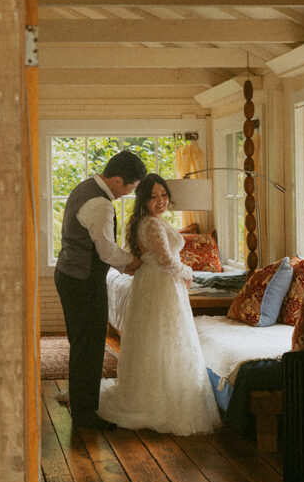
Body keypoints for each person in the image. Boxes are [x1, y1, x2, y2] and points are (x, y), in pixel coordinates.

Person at [98, 173, 220, 435]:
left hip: (159, 284)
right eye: (153, 197)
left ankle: (157, 390)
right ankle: (157, 400)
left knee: (159, 339)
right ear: (144, 200)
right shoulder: (151, 225)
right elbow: (166, 260)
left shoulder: (150, 221)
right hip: (160, 284)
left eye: (163, 195)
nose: (160, 201)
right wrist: (189, 273)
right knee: (162, 338)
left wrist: (182, 276)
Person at [54, 150, 146, 430]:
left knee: (82, 343)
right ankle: (85, 415)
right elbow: (105, 250)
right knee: (90, 345)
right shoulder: (100, 203)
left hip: (69, 275)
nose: (130, 192)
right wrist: (132, 261)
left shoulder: (85, 187)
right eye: (131, 186)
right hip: (82, 280)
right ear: (118, 180)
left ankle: (81, 401)